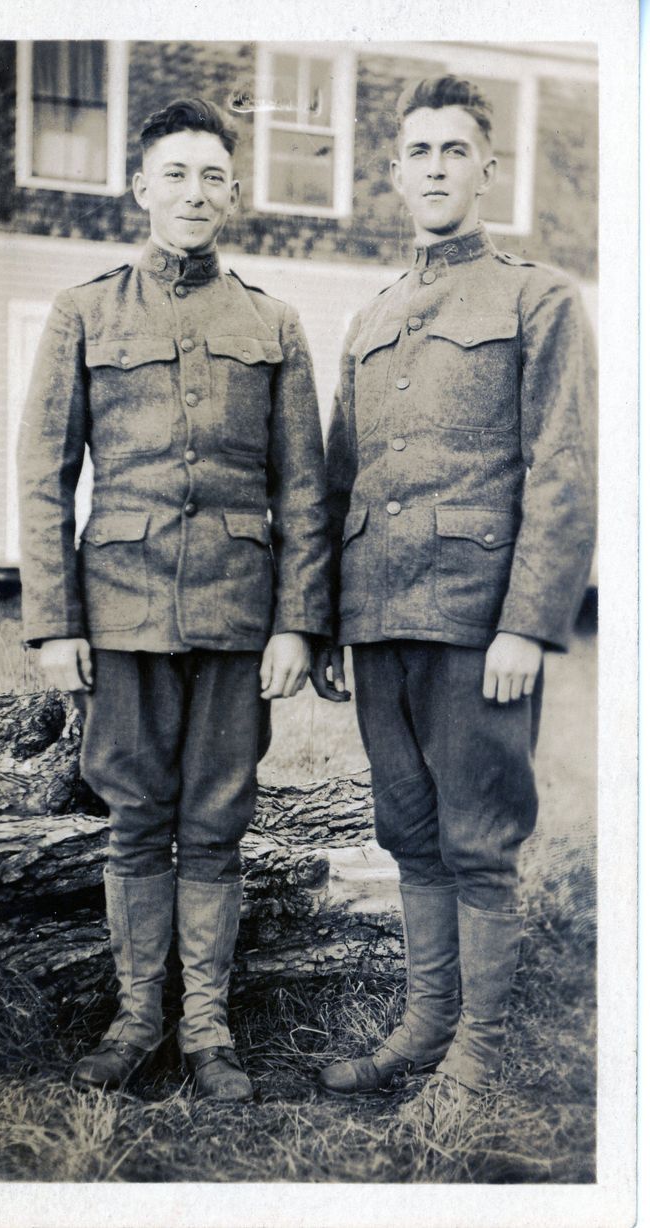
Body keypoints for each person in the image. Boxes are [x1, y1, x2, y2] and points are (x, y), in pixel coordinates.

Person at [17, 98, 331, 1102]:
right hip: (121, 609)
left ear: (232, 194)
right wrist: (54, 620)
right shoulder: (84, 312)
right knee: (133, 819)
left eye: (212, 177)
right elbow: (43, 473)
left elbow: (305, 489)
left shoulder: (273, 322)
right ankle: (136, 1016)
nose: (194, 193)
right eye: (175, 174)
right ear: (141, 187)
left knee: (216, 819)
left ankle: (206, 1026)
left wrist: (295, 620)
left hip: (240, 617)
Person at [311, 75, 596, 1124]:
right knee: (409, 831)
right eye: (417, 152)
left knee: (479, 839)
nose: (434, 168)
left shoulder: (540, 299)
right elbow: (342, 481)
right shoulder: (373, 314)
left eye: (454, 151)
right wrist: (335, 621)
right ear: (394, 173)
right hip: (380, 625)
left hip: (480, 626)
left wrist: (527, 620)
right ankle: (427, 1027)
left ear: (488, 168)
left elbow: (562, 471)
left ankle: (476, 1055)